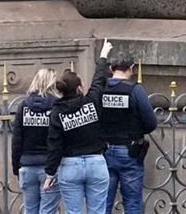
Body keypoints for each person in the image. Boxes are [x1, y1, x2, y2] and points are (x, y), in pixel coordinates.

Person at [43, 39, 114, 214]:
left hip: (70, 166)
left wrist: (50, 174)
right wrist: (103, 55)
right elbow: (99, 80)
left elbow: (54, 144)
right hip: (96, 163)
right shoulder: (91, 102)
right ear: (79, 89)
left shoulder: (57, 113)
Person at [97, 48, 158, 214]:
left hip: (104, 151)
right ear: (131, 68)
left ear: (111, 69)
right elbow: (151, 122)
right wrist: (137, 130)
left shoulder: (100, 89)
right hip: (130, 151)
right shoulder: (135, 90)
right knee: (132, 203)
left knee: (103, 203)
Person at [12, 68, 62, 214]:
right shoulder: (56, 105)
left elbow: (16, 140)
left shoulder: (24, 106)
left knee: (30, 210)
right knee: (47, 210)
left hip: (27, 165)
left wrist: (16, 167)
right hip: (49, 167)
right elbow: (59, 138)